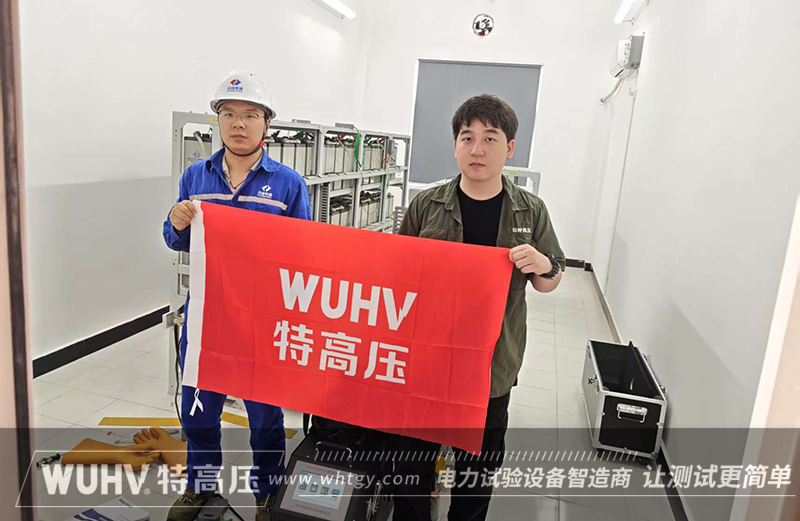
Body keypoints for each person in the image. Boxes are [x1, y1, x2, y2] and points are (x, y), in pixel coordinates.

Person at [394, 94, 565, 520]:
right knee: (411, 465)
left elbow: (549, 281)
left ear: (510, 148)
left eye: (490, 138)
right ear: (455, 145)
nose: (477, 149)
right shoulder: (426, 205)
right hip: (429, 360)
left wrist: (543, 265)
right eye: (467, 138)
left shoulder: (530, 210)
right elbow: (396, 275)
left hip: (491, 365)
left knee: (477, 471)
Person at [162, 70, 311, 521]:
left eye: (249, 115)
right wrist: (176, 222)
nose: (238, 123)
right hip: (207, 314)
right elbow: (176, 240)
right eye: (228, 114)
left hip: (262, 319)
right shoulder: (195, 176)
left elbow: (304, 255)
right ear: (218, 121)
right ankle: (201, 485)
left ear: (267, 123)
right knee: (199, 411)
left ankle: (267, 492)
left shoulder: (289, 184)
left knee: (264, 417)